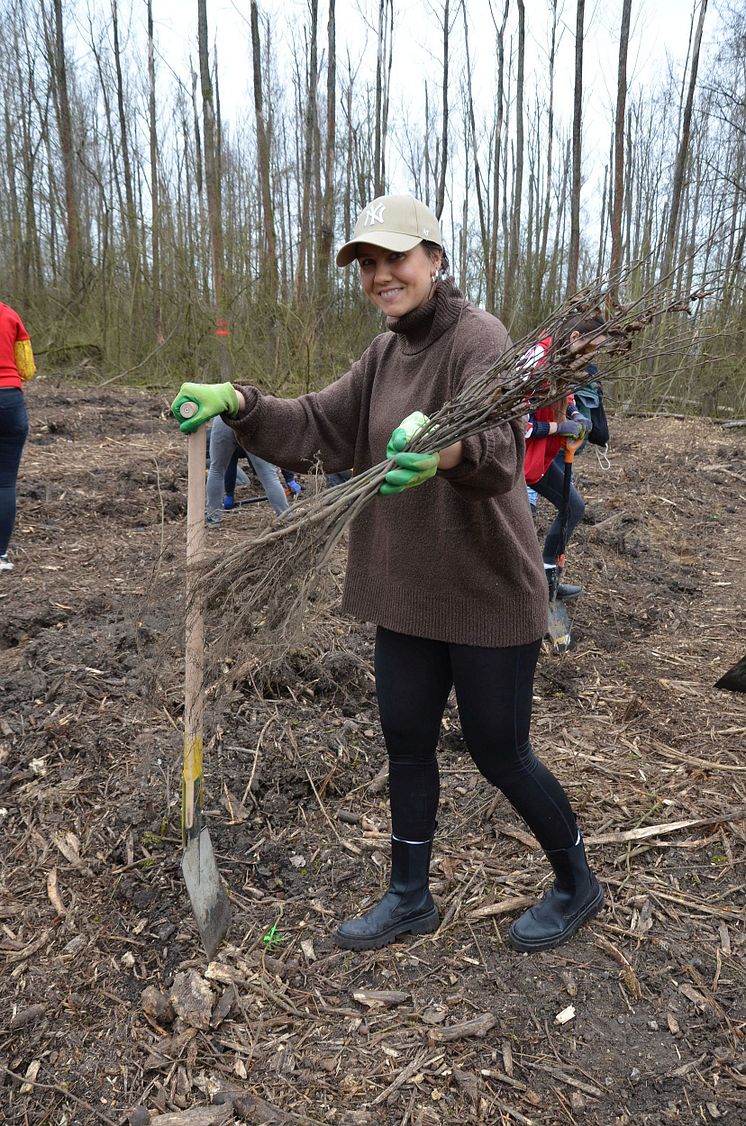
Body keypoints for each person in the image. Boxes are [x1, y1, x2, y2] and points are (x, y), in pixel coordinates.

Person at [171, 193, 604, 954]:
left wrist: (445, 452)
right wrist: (238, 404)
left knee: (499, 750)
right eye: (367, 264)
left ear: (435, 259)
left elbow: (504, 454)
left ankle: (577, 882)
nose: (379, 276)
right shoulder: (382, 354)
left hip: (485, 591)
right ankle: (409, 896)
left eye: (394, 259)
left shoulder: (479, 339)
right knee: (405, 743)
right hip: (403, 590)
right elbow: (318, 426)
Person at [523, 317, 605, 601]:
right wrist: (560, 428)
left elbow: (564, 394)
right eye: (592, 348)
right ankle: (520, 595)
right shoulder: (535, 363)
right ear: (575, 337)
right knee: (519, 529)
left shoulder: (562, 362)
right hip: (511, 463)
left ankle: (547, 580)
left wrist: (574, 414)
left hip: (538, 458)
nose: (593, 356)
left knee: (573, 507)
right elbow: (519, 427)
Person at [0, 300, 36, 571]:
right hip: (10, 402)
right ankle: (0, 556)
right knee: (4, 483)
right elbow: (27, 370)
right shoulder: (10, 315)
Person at [206, 415, 288, 523]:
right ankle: (285, 518)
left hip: (224, 418)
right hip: (251, 416)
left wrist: (229, 494)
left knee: (217, 470)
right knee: (268, 476)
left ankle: (213, 517)